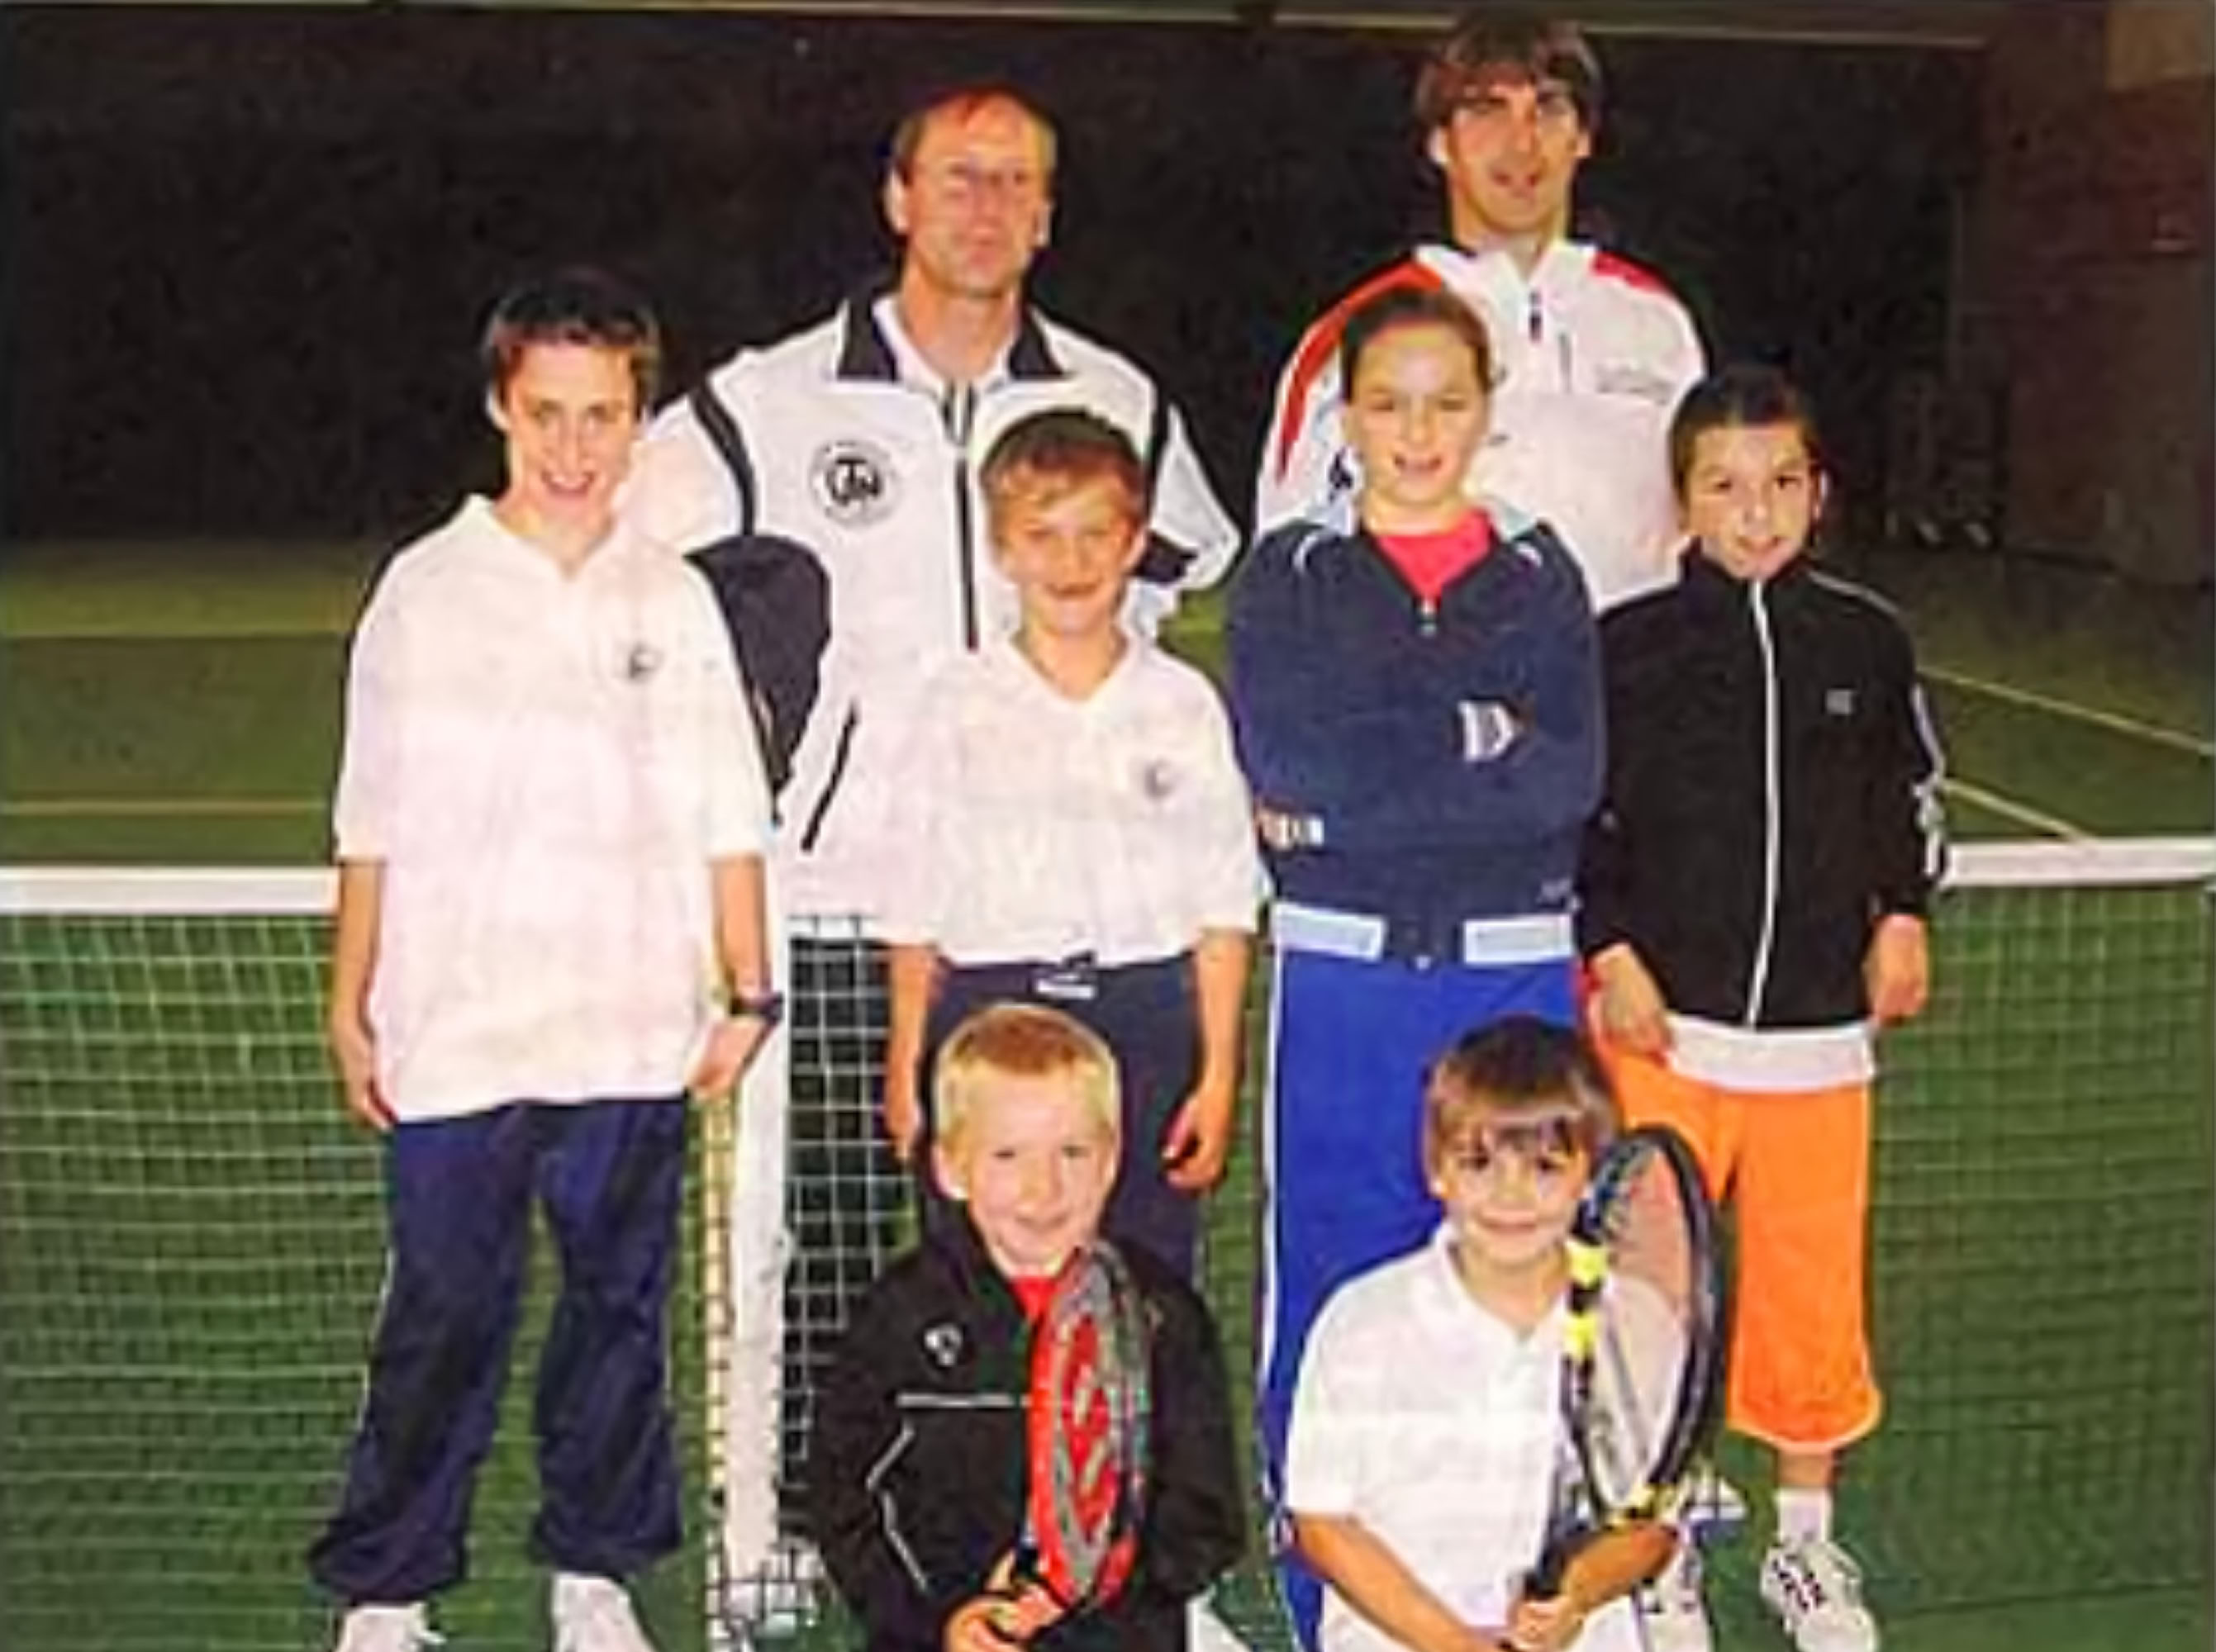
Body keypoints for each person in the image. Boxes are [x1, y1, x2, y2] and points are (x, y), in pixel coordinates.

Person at [622, 83, 1241, 1511]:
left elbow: (1184, 559)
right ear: (897, 198)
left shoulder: (1117, 398)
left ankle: (1096, 1515)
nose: (983, 206)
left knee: (1088, 1235)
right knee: (840, 1236)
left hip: (1058, 916)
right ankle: (814, 1511)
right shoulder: (771, 398)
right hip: (845, 896)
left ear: (1048, 214)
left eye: (1014, 181)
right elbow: (627, 550)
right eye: (956, 177)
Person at [308, 269, 778, 1652]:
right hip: (457, 1031)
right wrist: (350, 1004)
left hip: (630, 1031)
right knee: (443, 1316)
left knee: (616, 1317)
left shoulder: (672, 598)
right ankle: (391, 1585)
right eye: (550, 414)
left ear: (639, 422)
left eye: (604, 416)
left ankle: (594, 1573)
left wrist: (748, 990)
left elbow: (728, 810)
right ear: (501, 409)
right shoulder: (425, 591)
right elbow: (370, 814)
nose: (577, 448)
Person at [1227, 283, 1602, 1647]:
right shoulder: (1288, 573)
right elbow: (1288, 765)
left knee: (1523, 1268)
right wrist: (1477, 734)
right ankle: (1324, 1601)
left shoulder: (1543, 572)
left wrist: (1371, 771)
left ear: (1487, 413)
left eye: (1447, 401)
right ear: (1345, 419)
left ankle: (1519, 1582)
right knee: (1338, 1280)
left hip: (1512, 975)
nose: (1417, 430)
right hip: (1344, 983)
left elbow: (1567, 782)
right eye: (1386, 403)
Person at [1578, 364, 1947, 1652]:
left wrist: (1902, 914)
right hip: (1659, 1037)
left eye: (1781, 482)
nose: (1755, 511)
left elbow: (1907, 797)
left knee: (1807, 1296)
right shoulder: (1625, 646)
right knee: (1652, 1301)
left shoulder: (1865, 640)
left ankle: (1803, 1543)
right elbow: (1584, 823)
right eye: (1725, 486)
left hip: (1817, 1050)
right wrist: (1608, 949)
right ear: (1680, 500)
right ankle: (1660, 1544)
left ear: (1817, 492)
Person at [877, 407, 1260, 1283]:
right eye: (1042, 537)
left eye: (1096, 535)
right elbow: (914, 902)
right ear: (1001, 551)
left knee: (1141, 1280)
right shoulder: (958, 700)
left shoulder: (1180, 703)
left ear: (1135, 543)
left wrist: (1217, 1075)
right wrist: (906, 1062)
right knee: (982, 1277)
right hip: (990, 1010)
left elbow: (1223, 907)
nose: (1071, 562)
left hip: (1141, 1015)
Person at [811, 1001, 1245, 1652]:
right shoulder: (900, 1314)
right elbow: (843, 1497)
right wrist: (936, 1624)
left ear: (1111, 1162)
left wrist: (1082, 1589)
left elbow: (1207, 1518)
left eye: (1072, 1153)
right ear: (950, 1169)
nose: (1043, 1189)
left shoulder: (1162, 1315)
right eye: (1007, 1155)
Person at [1255, 8, 1705, 613]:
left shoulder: (1657, 323)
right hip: (1430, 667)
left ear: (1584, 138)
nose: (1521, 142)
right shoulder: (1359, 332)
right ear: (1440, 143)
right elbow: (1288, 564)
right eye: (1487, 110)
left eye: (1548, 108)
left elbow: (1711, 524)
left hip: (1635, 667)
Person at [1287, 1017, 1665, 1652]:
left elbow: (1651, 1527)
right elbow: (1322, 1523)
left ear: (1590, 1178)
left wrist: (1576, 1595)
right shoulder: (1363, 1321)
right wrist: (1457, 1645)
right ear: (1437, 1170)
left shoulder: (1637, 1324)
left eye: (1545, 1167)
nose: (1510, 1196)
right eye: (1479, 1163)